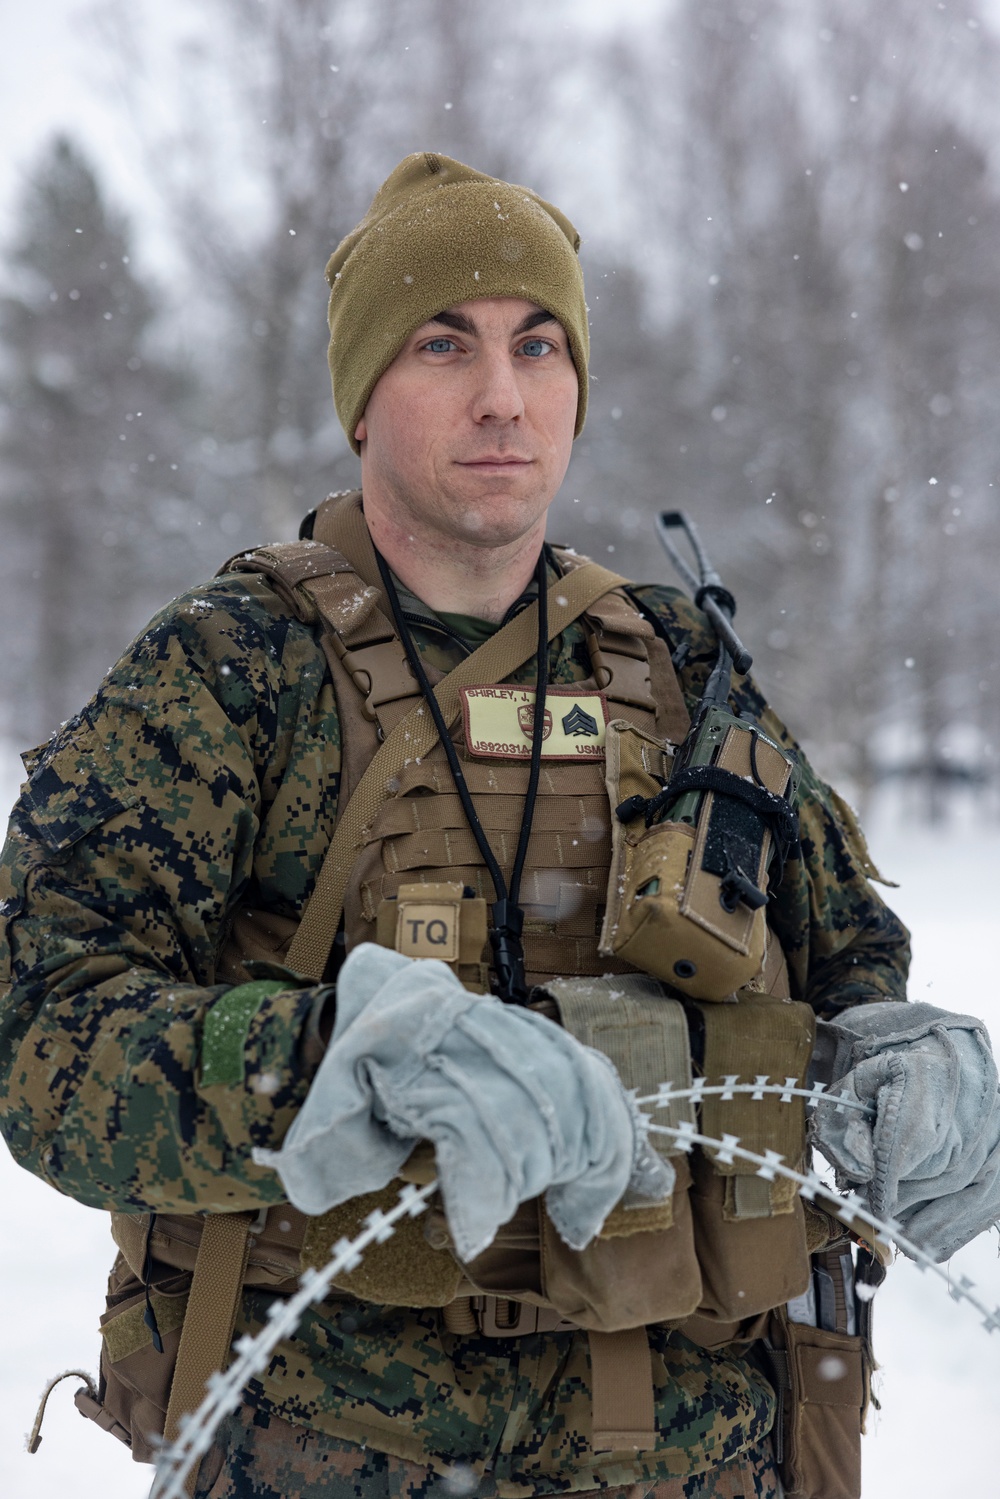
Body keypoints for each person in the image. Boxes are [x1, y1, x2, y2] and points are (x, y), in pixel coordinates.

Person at [0, 153, 922, 1499]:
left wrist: (905, 1065)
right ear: (364, 397)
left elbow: (847, 960)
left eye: (539, 345)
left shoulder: (677, 665)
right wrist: (322, 1066)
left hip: (692, 1455)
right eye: (446, 343)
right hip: (333, 1451)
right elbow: (41, 1037)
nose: (505, 396)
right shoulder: (232, 671)